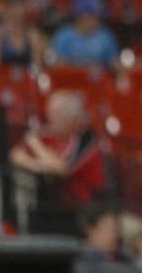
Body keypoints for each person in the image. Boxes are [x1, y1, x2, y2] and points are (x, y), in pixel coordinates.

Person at [9, 90, 105, 234]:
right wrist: (39, 166)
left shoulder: (86, 138)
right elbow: (15, 155)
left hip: (79, 209)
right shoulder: (45, 135)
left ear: (72, 117)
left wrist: (37, 147)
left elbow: (62, 168)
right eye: (50, 113)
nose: (51, 119)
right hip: (47, 207)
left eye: (57, 114)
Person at [50, 0, 120, 69]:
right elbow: (58, 64)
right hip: (71, 78)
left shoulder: (105, 36)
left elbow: (114, 62)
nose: (96, 20)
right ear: (80, 16)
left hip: (98, 79)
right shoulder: (64, 36)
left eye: (97, 17)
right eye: (92, 16)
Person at [0, 0, 46, 68]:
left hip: (27, 79)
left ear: (24, 8)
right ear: (4, 9)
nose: (15, 11)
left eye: (18, 7)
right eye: (10, 7)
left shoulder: (33, 36)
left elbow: (37, 68)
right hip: (3, 79)